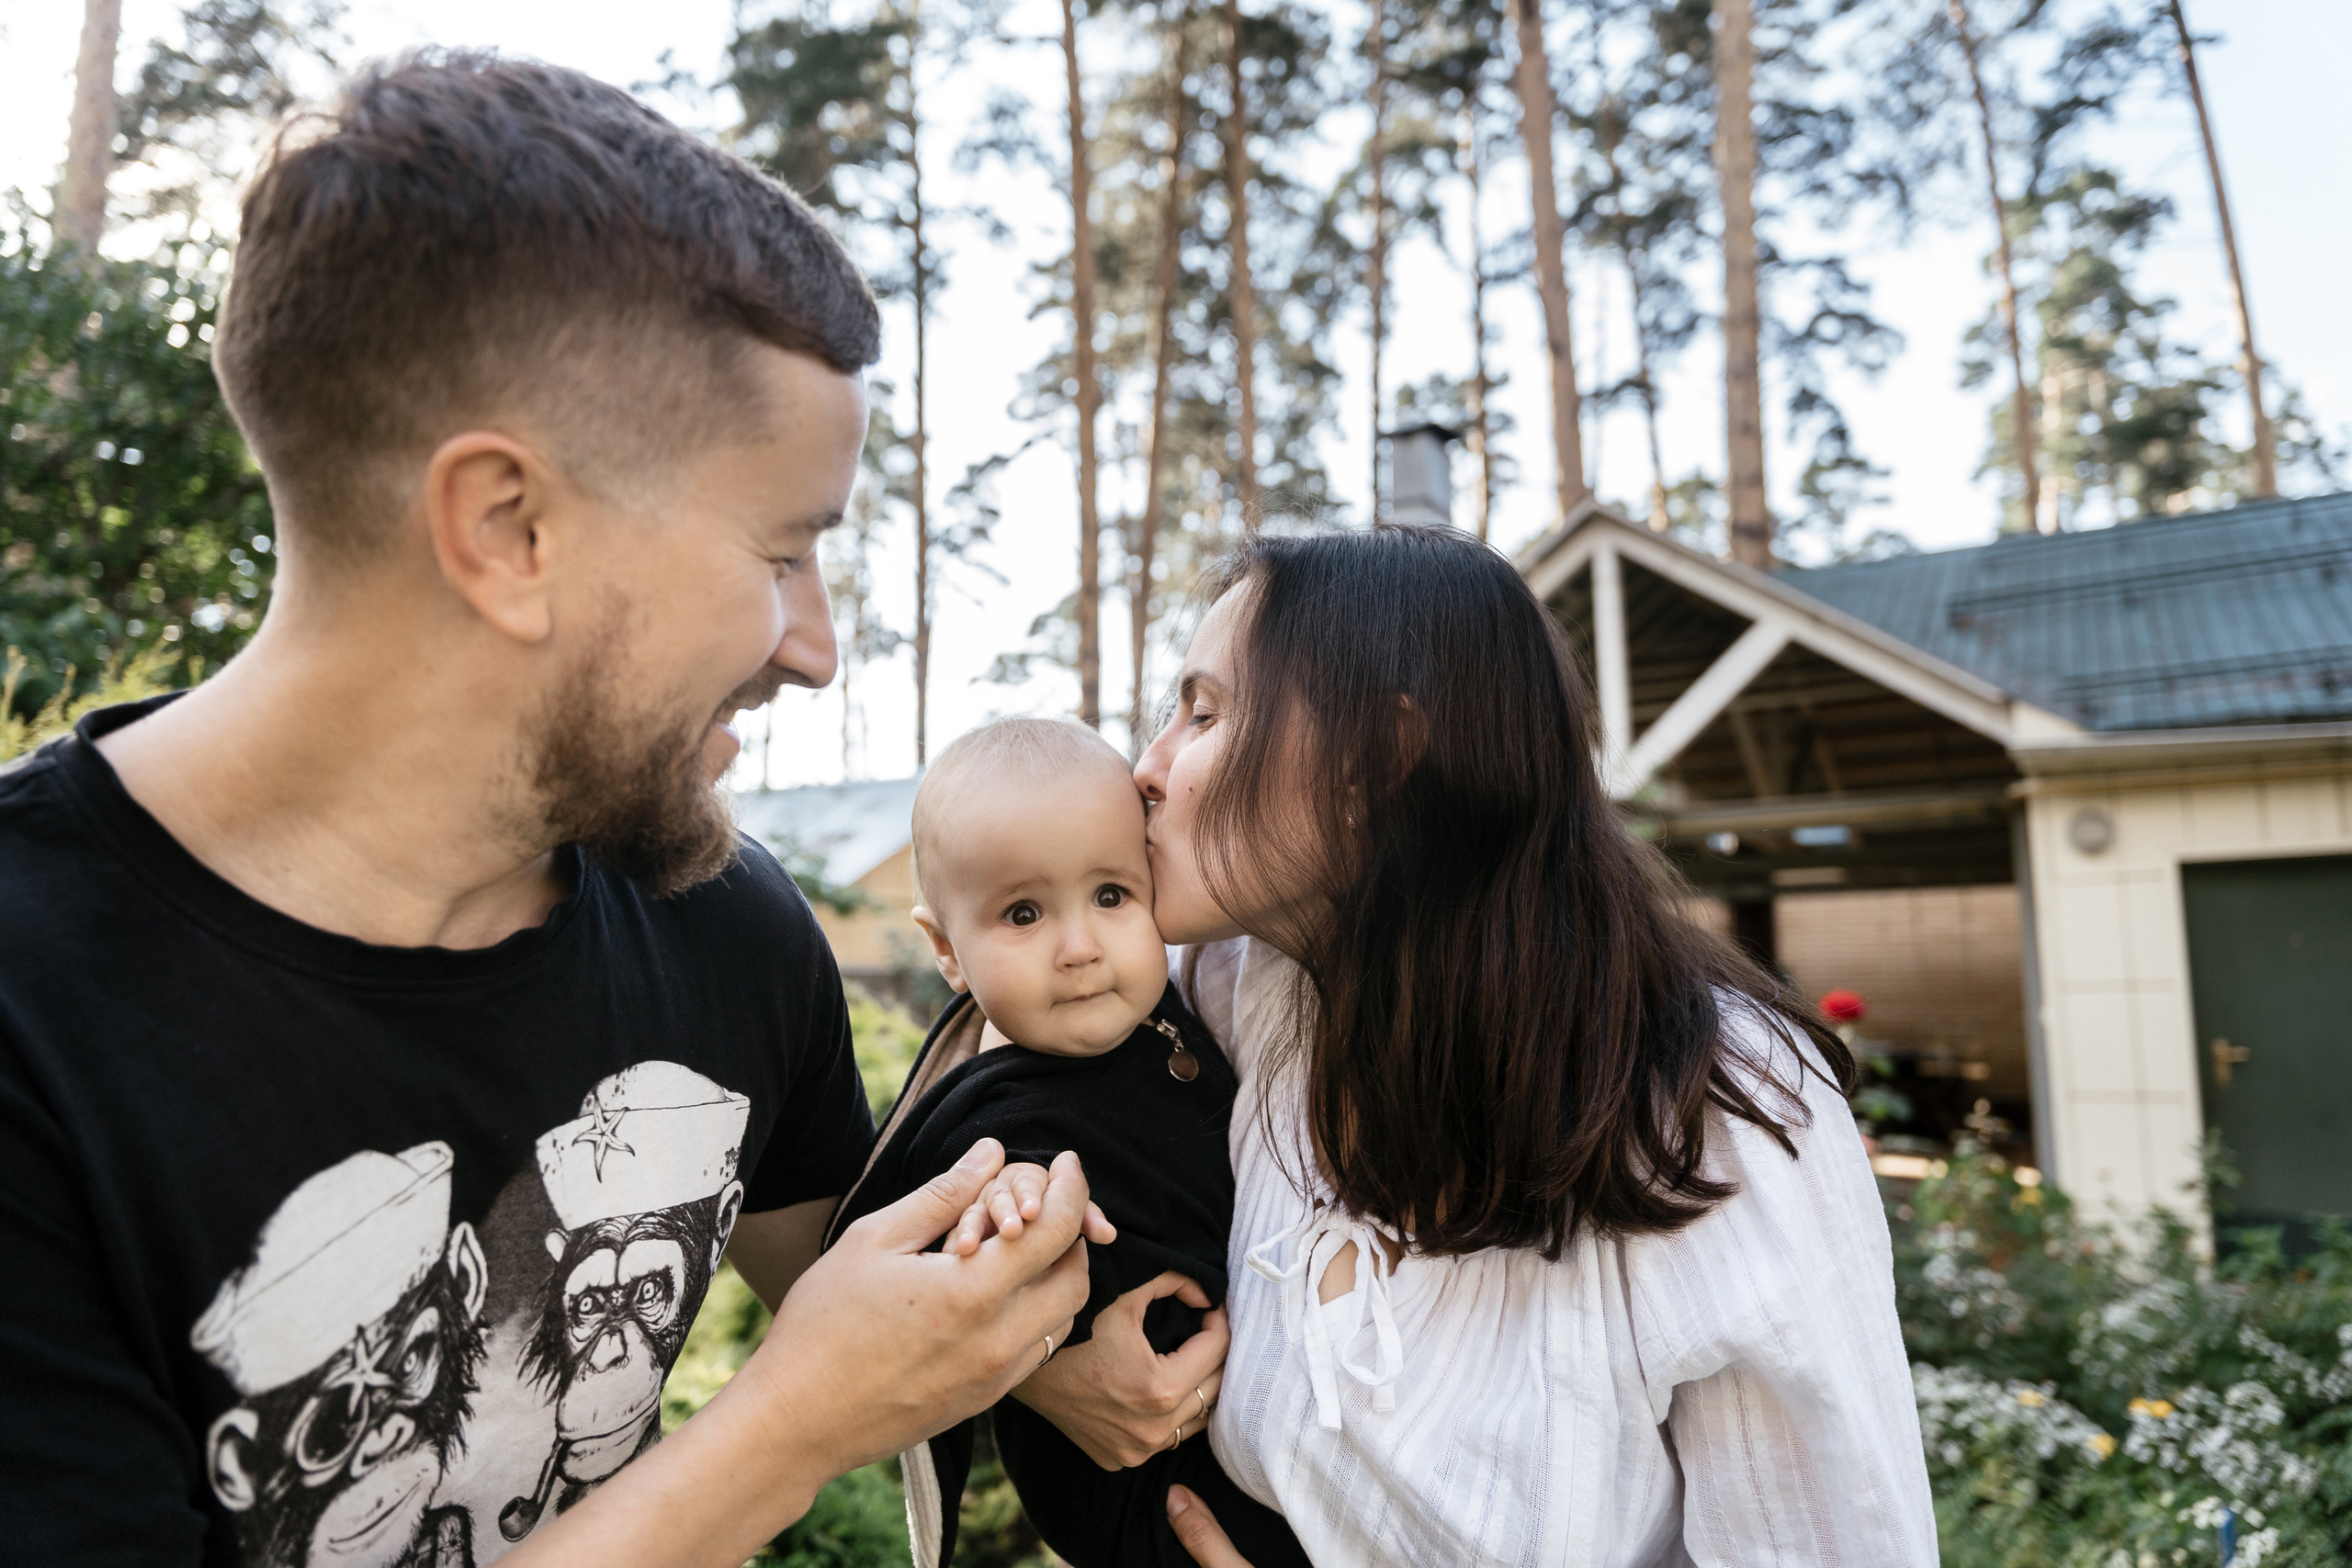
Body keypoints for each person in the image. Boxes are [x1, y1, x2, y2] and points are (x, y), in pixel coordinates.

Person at [0, 53, 1104, 1568]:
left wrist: (1071, 1342)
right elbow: (829, 1383)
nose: (817, 643)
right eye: (785, 549)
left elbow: (897, 1293)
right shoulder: (26, 1011)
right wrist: (787, 1429)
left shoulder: (726, 928)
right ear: (508, 528)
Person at [1045, 525, 1940, 1565]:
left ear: (1378, 759)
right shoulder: (1240, 988)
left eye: (1205, 713)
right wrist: (1041, 1373)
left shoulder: (1721, 1110)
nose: (1146, 769)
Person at [828, 718, 1310, 1568]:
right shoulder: (993, 1121)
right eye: (1023, 912)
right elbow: (912, 1268)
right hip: (1150, 1498)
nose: (1081, 947)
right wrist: (994, 1207)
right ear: (946, 948)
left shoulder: (1178, 1018)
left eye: (1113, 895)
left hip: (1239, 1437)